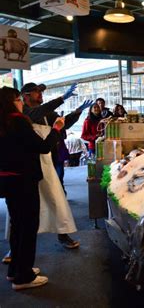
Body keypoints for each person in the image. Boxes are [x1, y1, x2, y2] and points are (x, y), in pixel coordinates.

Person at [0, 86, 64, 290]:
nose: (21, 103)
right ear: (12, 101)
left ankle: (16, 270)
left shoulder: (3, 122)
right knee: (27, 227)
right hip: (23, 181)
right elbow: (43, 147)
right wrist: (56, 129)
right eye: (18, 99)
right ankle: (23, 277)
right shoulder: (18, 121)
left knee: (18, 226)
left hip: (7, 182)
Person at [22, 82, 90, 249]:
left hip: (48, 162)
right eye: (36, 92)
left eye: (41, 92)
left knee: (56, 199)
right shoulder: (23, 112)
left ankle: (63, 235)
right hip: (27, 167)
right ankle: (16, 247)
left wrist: (77, 112)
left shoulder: (47, 113)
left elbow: (62, 123)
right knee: (23, 207)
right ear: (26, 96)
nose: (40, 94)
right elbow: (36, 112)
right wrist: (62, 98)